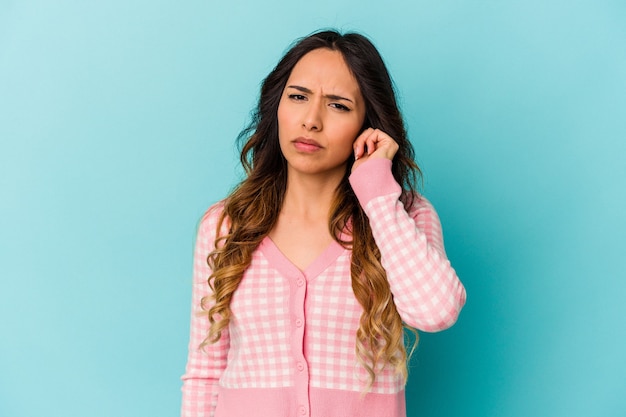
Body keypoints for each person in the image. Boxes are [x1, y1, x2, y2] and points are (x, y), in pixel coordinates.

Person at [181, 29, 466, 417]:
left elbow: (436, 312)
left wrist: (378, 197)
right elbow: (205, 371)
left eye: (338, 105)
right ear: (276, 108)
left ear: (369, 124)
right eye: (298, 97)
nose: (311, 120)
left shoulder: (404, 215)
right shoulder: (227, 224)